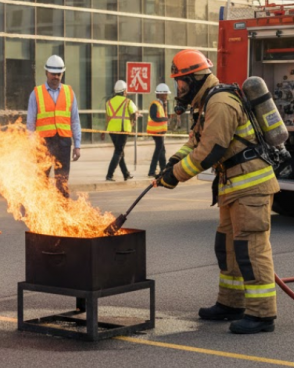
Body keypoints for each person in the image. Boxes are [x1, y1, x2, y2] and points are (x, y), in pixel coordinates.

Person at [158, 49, 279, 334]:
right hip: (233, 188)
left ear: (195, 77)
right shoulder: (207, 103)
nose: (179, 89)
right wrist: (173, 162)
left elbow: (210, 151)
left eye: (181, 82)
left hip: (250, 187)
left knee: (250, 249)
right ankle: (231, 304)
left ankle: (262, 315)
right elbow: (195, 141)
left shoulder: (221, 103)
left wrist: (175, 176)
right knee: (227, 248)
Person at [26, 55, 81, 197]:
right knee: (41, 181)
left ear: (62, 74)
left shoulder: (69, 92)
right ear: (46, 73)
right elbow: (30, 123)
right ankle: (42, 214)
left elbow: (75, 120)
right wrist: (31, 145)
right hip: (44, 144)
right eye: (53, 74)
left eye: (58, 74)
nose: (56, 77)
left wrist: (77, 145)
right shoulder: (36, 93)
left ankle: (62, 215)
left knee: (62, 182)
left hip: (63, 143)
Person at [104, 80, 137, 182]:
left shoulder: (108, 102)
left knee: (120, 151)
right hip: (123, 130)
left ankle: (126, 174)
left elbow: (108, 116)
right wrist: (134, 121)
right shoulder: (128, 102)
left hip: (112, 130)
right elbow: (135, 113)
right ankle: (109, 174)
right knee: (118, 151)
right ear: (124, 91)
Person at [147, 83, 171, 177]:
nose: (166, 96)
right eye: (165, 94)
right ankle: (152, 171)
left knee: (161, 150)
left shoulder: (161, 104)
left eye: (166, 94)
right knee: (159, 150)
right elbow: (154, 117)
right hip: (155, 132)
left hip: (160, 132)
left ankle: (163, 169)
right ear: (159, 94)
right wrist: (165, 119)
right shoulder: (155, 104)